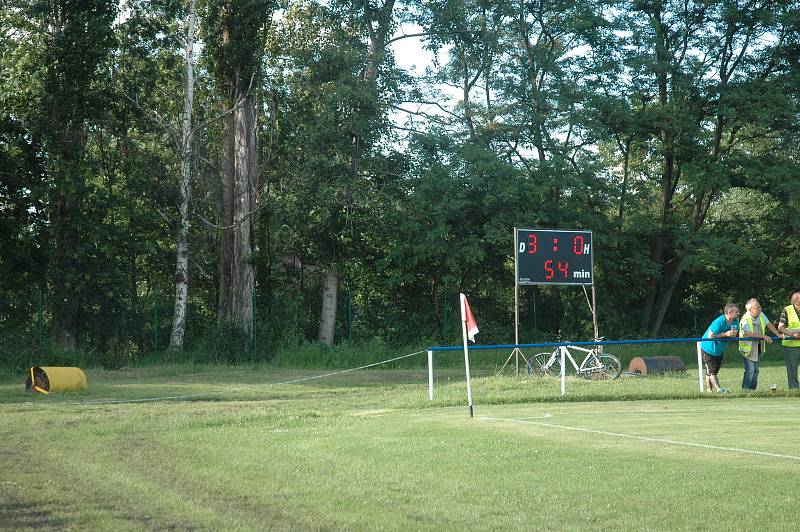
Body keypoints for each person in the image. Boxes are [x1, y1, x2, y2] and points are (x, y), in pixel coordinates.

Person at [738, 298, 782, 391]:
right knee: (750, 371)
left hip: (758, 347)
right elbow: (748, 333)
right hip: (748, 349)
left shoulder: (761, 314)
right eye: (757, 307)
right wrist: (764, 336)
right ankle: (745, 390)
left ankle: (753, 390)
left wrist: (778, 334)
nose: (760, 309)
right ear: (750, 309)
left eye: (759, 307)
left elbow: (769, 324)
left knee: (756, 371)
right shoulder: (745, 319)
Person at [699, 303, 740, 393]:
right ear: (729, 313)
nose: (739, 313)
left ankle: (709, 390)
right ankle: (719, 389)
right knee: (712, 371)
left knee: (711, 371)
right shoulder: (719, 321)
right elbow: (710, 336)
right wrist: (725, 334)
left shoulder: (736, 321)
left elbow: (734, 335)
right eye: (736, 312)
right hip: (708, 348)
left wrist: (732, 335)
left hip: (719, 350)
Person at [777, 292, 800, 389]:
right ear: (796, 301)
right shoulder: (787, 310)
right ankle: (794, 390)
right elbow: (780, 328)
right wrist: (792, 334)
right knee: (792, 370)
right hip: (790, 345)